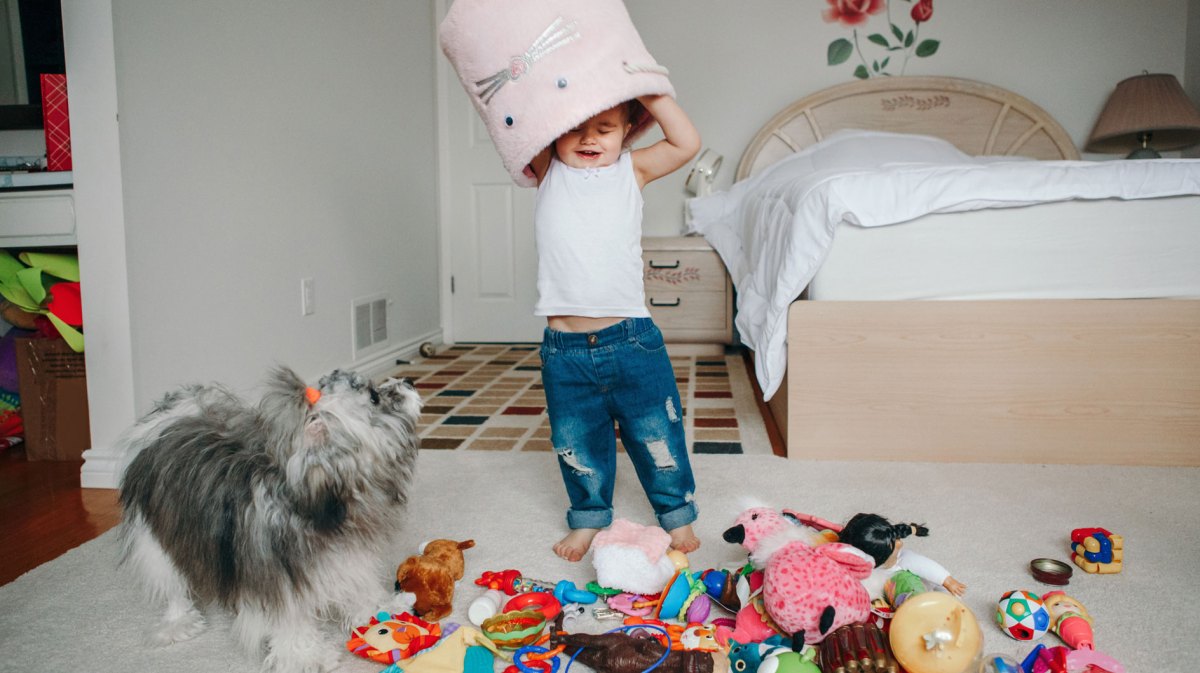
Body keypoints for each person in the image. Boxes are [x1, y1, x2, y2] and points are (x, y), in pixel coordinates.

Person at [526, 94, 701, 562]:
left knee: (656, 433)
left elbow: (686, 143)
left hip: (631, 341)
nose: (588, 138)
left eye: (604, 127)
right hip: (565, 352)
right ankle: (588, 516)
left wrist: (652, 94)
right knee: (575, 441)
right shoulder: (548, 170)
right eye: (574, 128)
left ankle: (677, 514)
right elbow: (517, 122)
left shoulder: (632, 170)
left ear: (627, 129)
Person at [837, 512, 967, 607]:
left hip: (909, 589)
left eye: (896, 541)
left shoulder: (903, 560)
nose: (899, 544)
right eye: (894, 544)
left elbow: (926, 566)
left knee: (911, 592)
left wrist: (947, 580)